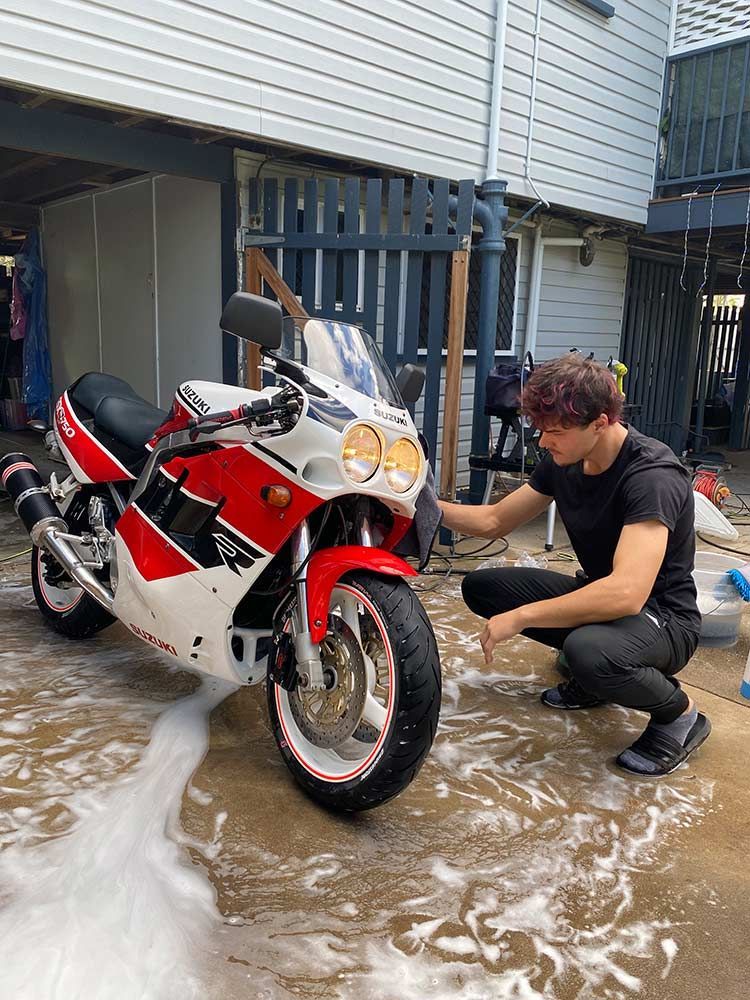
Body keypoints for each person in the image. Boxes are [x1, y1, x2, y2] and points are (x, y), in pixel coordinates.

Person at [438, 353, 710, 777]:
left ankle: (680, 714)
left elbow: (627, 593)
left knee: (589, 652)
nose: (543, 442)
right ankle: (598, 682)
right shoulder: (564, 459)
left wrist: (523, 616)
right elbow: (494, 520)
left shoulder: (651, 475)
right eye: (541, 429)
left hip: (664, 619)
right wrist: (420, 505)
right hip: (605, 600)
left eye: (556, 432)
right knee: (483, 588)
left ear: (600, 423)